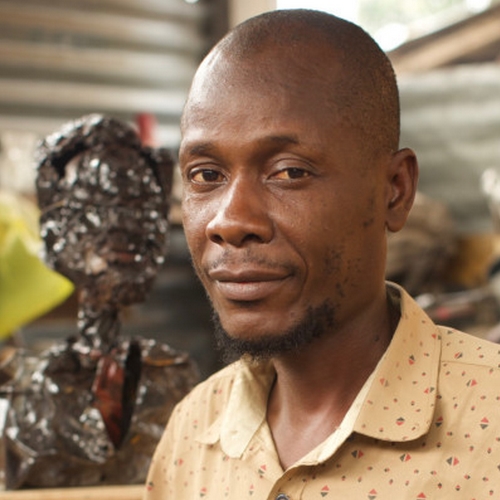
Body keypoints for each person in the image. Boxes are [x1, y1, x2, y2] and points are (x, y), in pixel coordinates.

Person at [144, 9, 500, 499]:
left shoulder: (489, 423)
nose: (230, 222)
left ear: (395, 191)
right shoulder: (193, 433)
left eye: (290, 172)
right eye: (206, 175)